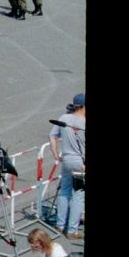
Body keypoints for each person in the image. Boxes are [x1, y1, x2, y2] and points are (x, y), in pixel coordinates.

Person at [49, 94, 85, 239]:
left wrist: (55, 154)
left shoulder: (64, 118)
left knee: (64, 191)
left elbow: (52, 136)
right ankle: (72, 230)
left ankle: (59, 225)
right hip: (80, 163)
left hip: (66, 160)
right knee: (78, 195)